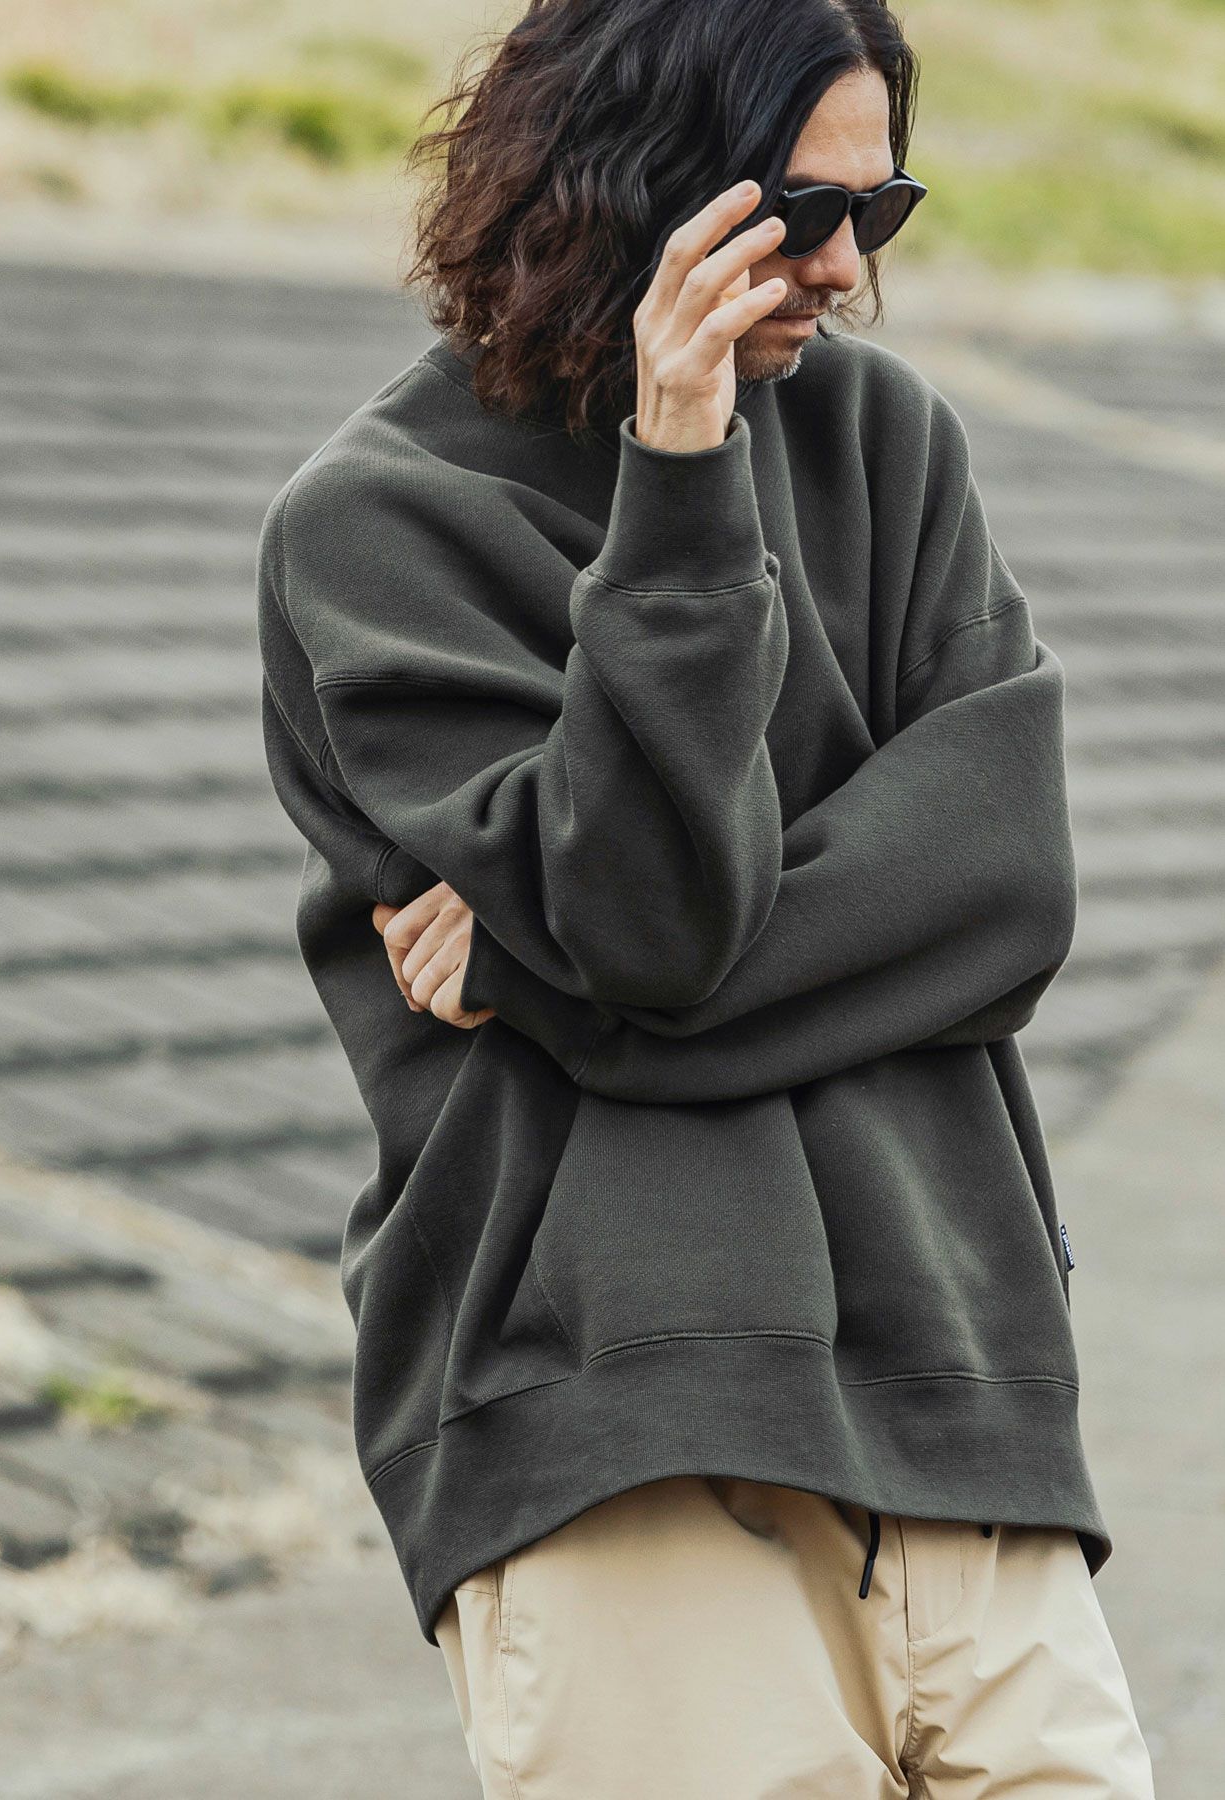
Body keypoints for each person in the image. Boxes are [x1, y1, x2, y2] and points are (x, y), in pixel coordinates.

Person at [255, 0, 1156, 1791]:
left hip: (962, 1409)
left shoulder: (887, 447)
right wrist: (679, 478)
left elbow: (1003, 889)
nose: (844, 268)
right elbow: (660, 922)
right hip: (630, 1437)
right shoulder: (379, 527)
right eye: (798, 211)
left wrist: (551, 978)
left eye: (877, 209)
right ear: (627, 185)